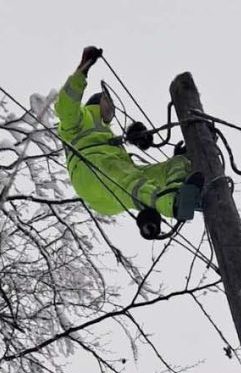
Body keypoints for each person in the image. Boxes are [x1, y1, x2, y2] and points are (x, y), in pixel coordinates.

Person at [55, 46, 200, 238]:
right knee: (131, 181)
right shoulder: (81, 119)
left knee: (170, 166)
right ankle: (172, 203)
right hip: (92, 170)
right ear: (97, 103)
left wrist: (137, 137)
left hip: (113, 180)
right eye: (107, 104)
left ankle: (182, 190)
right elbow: (65, 107)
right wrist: (82, 72)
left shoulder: (108, 134)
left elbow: (124, 161)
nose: (111, 111)